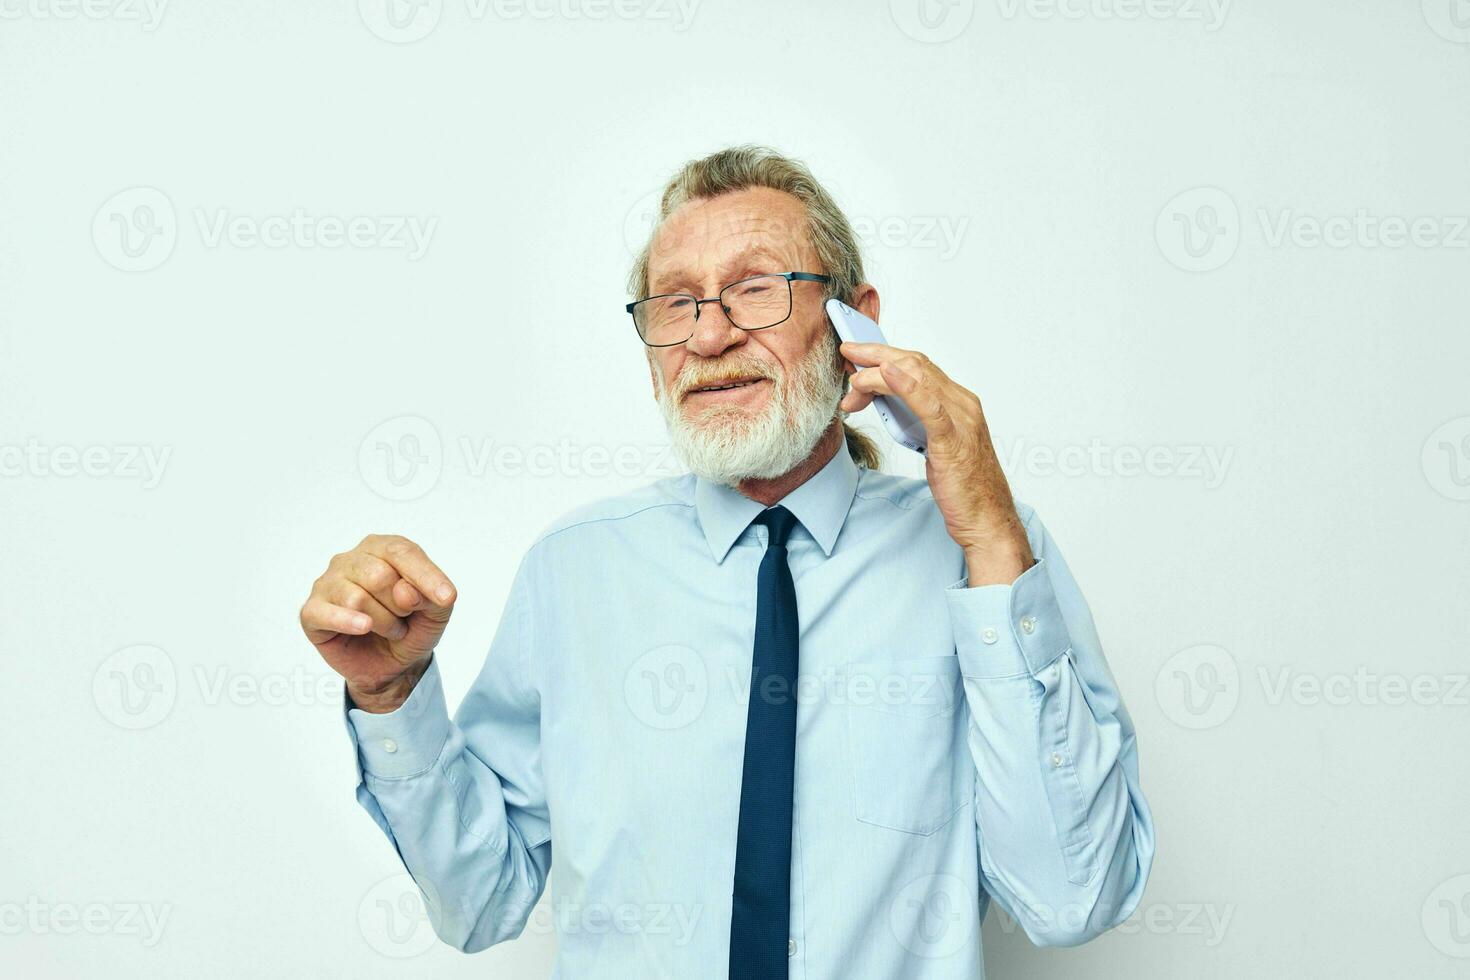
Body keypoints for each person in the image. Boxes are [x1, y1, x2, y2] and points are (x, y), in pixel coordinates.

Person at [299, 145, 1155, 979]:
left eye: (755, 289)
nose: (709, 335)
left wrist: (996, 544)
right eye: (674, 304)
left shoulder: (985, 558)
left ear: (855, 321)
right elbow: (480, 902)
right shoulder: (573, 573)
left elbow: (1072, 900)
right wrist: (390, 698)